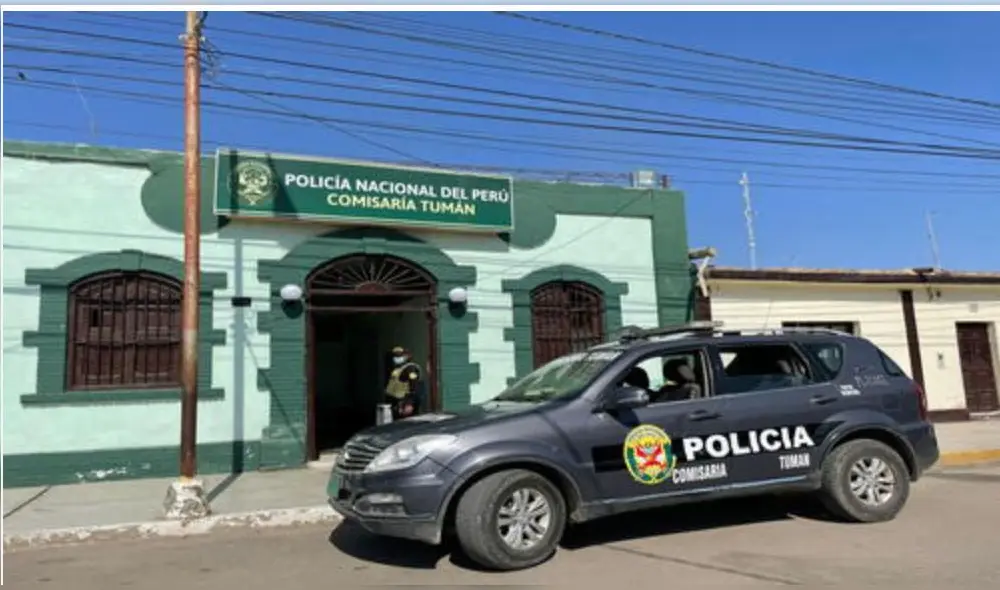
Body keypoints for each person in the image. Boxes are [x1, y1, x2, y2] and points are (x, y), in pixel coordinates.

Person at [383, 346, 425, 419]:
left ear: (406, 356)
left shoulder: (410, 368)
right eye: (395, 356)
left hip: (405, 404)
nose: (397, 358)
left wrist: (409, 403)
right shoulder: (397, 369)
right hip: (396, 403)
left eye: (400, 355)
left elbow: (414, 386)